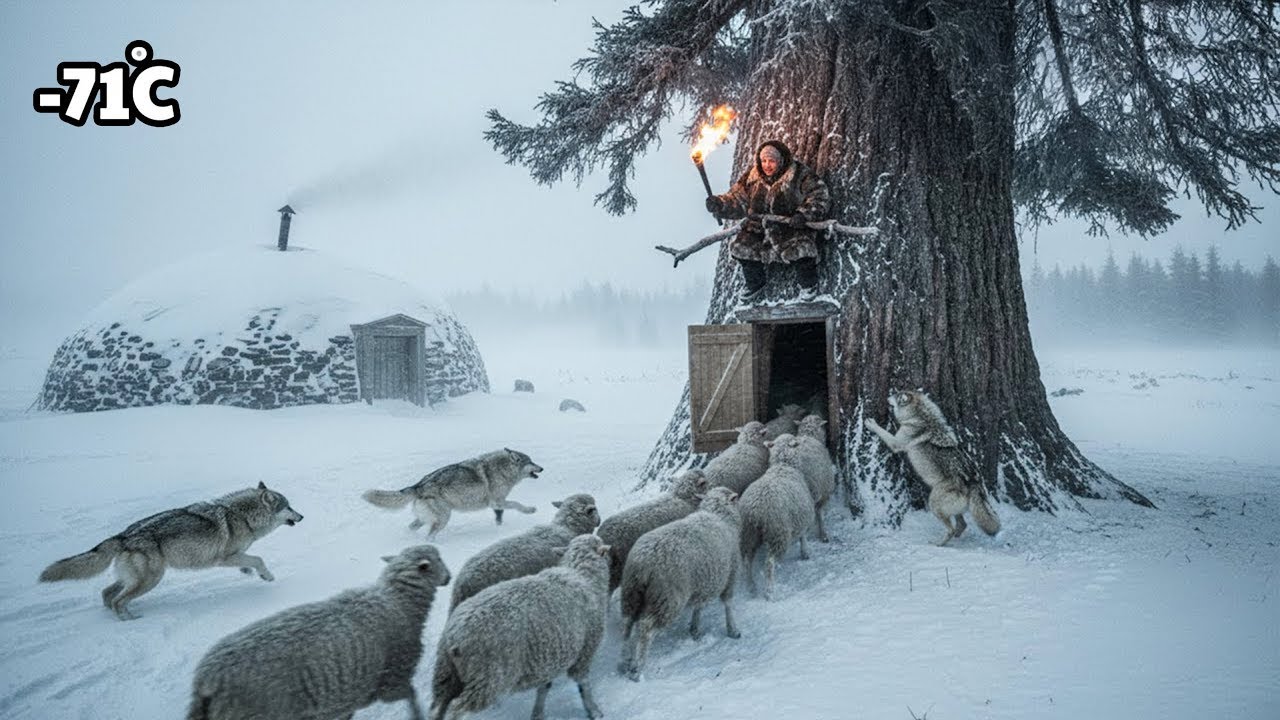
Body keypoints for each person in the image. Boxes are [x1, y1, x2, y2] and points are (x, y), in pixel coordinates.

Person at [705, 140, 831, 301]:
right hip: (759, 228)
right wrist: (720, 204)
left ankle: (808, 285)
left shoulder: (799, 174)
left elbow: (819, 194)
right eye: (764, 161)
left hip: (790, 225)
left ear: (781, 160)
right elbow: (737, 199)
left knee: (802, 249)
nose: (767, 165)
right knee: (741, 247)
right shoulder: (751, 178)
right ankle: (755, 283)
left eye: (771, 161)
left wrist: (804, 214)